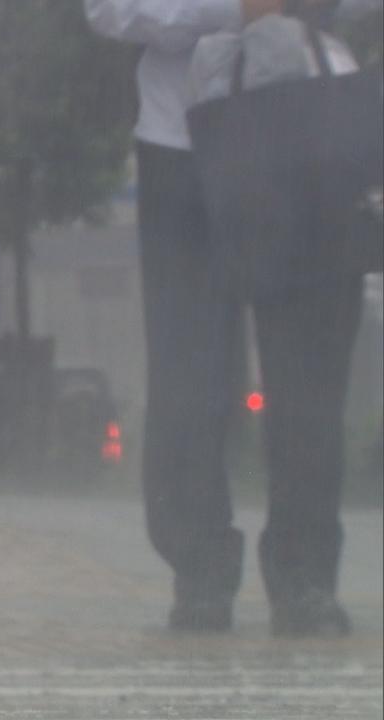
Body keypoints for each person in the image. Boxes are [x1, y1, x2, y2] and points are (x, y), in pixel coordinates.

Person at [86, 0, 376, 636]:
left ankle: (305, 581)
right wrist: (237, 7)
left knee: (310, 380)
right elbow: (109, 9)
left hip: (314, 134)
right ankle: (200, 574)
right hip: (185, 144)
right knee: (189, 374)